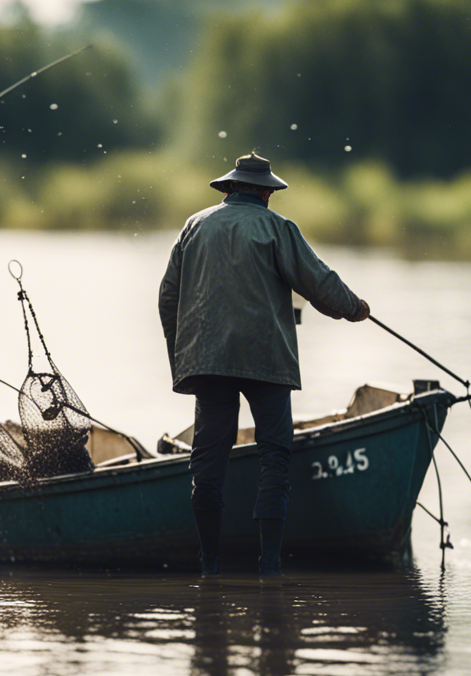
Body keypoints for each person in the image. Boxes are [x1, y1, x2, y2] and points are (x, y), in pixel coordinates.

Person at [158, 153, 370, 578]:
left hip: (207, 362)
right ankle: (269, 567)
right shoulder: (277, 228)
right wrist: (355, 308)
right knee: (275, 458)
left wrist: (183, 359)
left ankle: (209, 565)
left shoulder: (194, 226)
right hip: (266, 360)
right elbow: (320, 284)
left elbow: (168, 298)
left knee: (208, 465)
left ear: (229, 189)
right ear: (267, 192)